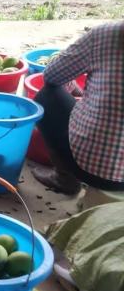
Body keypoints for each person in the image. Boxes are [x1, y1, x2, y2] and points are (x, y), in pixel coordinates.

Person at [32, 21, 124, 195]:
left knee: (47, 95)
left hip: (93, 170)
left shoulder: (105, 34)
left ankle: (64, 178)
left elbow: (52, 76)